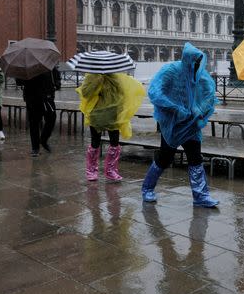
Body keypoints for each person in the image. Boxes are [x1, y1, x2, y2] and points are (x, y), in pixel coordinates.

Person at [141, 42, 219, 208]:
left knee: (195, 157)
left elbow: (209, 95)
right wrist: (175, 108)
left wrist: (200, 109)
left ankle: (201, 196)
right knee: (165, 157)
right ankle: (147, 188)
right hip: (172, 124)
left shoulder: (201, 75)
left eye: (199, 63)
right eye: (194, 63)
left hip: (191, 124)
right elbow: (155, 92)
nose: (197, 67)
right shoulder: (171, 71)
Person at [78, 71, 145, 182]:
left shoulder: (115, 77)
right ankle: (91, 171)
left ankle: (111, 171)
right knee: (95, 142)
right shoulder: (92, 76)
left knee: (114, 142)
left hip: (113, 115)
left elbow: (123, 93)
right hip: (96, 115)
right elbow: (85, 93)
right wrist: (97, 81)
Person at [17, 66, 60, 156]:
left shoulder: (48, 65)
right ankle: (35, 148)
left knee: (51, 118)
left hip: (46, 97)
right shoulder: (25, 67)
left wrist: (56, 84)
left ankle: (43, 140)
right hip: (32, 98)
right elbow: (19, 82)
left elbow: (57, 80)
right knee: (34, 123)